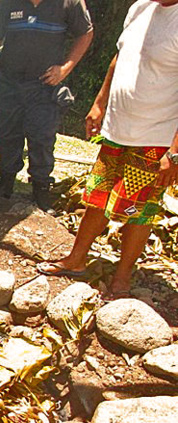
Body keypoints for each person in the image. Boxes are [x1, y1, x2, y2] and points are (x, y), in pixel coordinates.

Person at [37, 0, 178, 299]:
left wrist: (175, 152)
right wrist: (99, 103)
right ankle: (76, 259)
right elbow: (119, 58)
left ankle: (122, 278)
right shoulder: (140, 7)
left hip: (155, 138)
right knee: (97, 196)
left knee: (139, 210)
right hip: (117, 128)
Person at [0, 0, 93, 209]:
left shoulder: (69, 3)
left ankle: (41, 189)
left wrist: (65, 68)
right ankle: (5, 184)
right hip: (10, 82)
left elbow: (86, 34)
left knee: (42, 137)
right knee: (8, 134)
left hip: (44, 86)